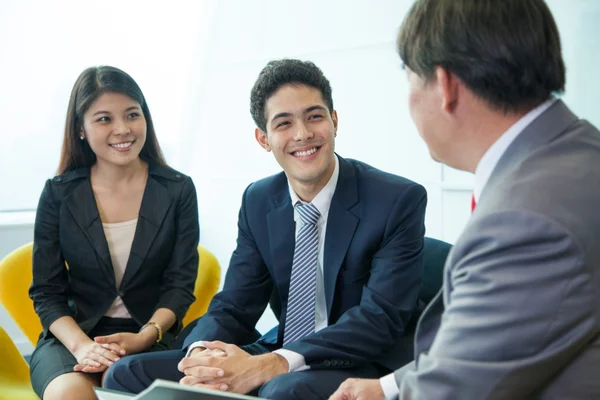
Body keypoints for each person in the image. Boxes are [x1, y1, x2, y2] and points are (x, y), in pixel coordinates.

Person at [104, 59, 427, 399]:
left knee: (282, 391)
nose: (302, 134)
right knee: (126, 373)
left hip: (362, 361)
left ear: (334, 121)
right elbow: (236, 305)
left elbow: (379, 319)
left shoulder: (396, 200)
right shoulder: (259, 200)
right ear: (264, 138)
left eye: (315, 117)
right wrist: (203, 354)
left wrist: (274, 363)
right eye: (284, 123)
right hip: (279, 350)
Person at [330, 0, 600, 399]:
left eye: (409, 79)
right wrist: (388, 387)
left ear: (444, 85)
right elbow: (506, 343)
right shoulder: (575, 153)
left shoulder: (525, 223)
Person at [28, 66, 200, 400]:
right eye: (104, 119)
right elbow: (46, 292)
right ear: (80, 128)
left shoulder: (177, 190)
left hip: (151, 336)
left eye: (132, 115)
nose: (122, 129)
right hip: (75, 337)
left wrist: (147, 335)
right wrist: (83, 348)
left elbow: (179, 286)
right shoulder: (59, 193)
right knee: (69, 395)